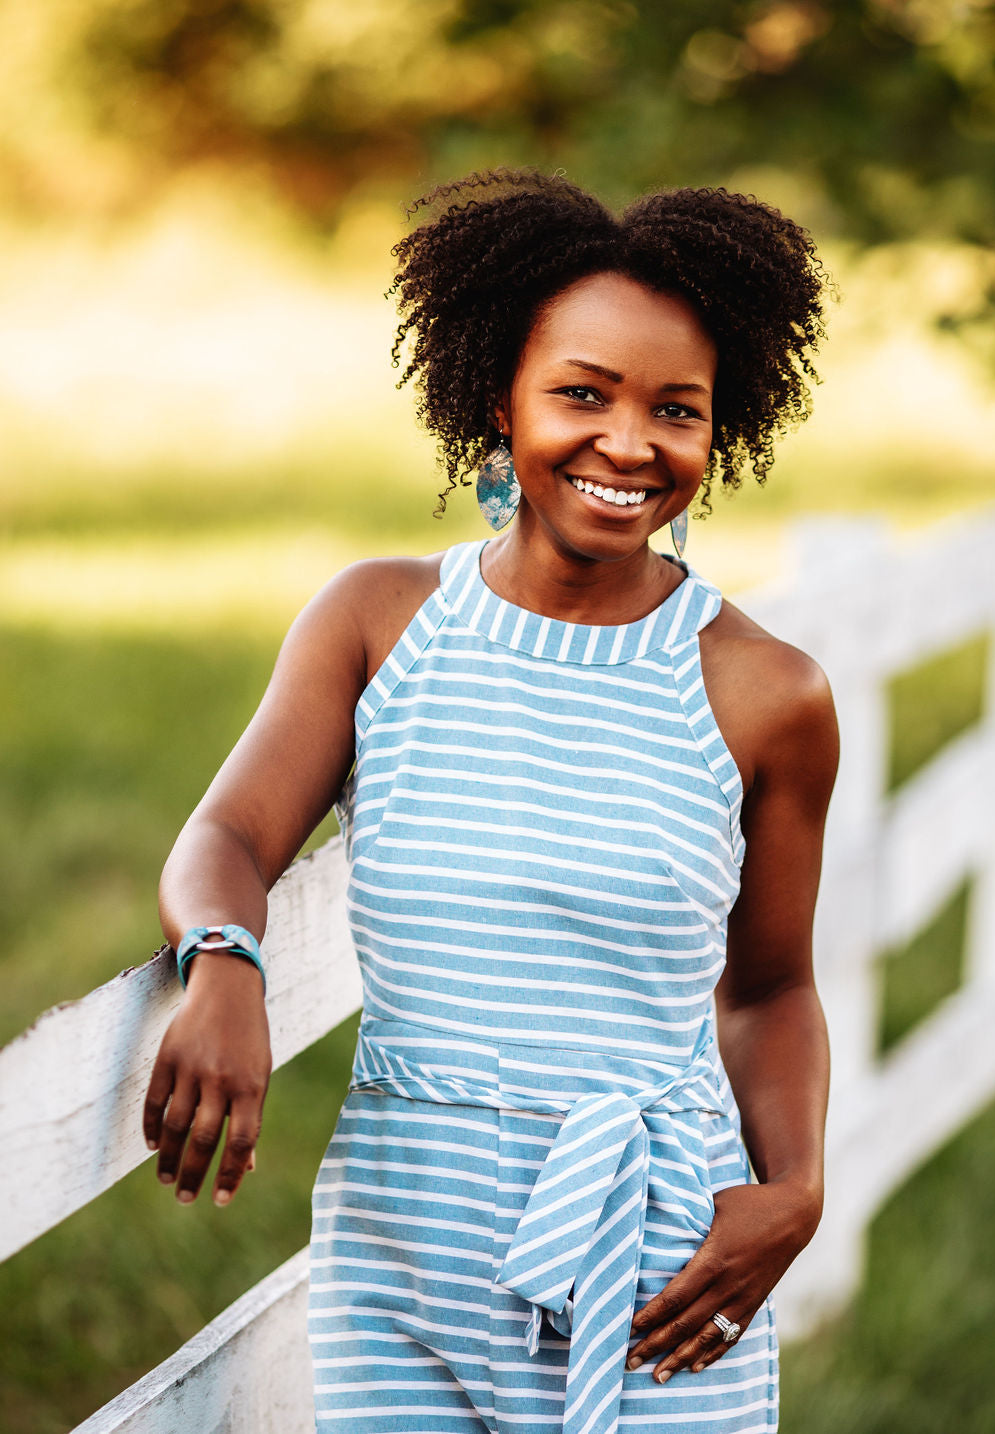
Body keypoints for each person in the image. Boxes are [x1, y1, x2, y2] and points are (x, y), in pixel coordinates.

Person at [144, 169, 838, 1434]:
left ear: (718, 431)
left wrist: (793, 1190)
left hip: (660, 1262)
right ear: (496, 396)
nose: (627, 444)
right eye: (581, 392)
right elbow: (231, 835)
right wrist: (222, 961)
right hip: (401, 1251)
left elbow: (771, 987)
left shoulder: (764, 692)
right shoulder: (378, 622)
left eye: (675, 411)